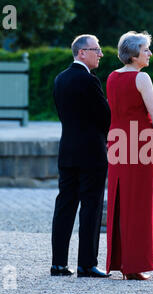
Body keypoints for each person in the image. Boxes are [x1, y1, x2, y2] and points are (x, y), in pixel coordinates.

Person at [51, 34, 111, 278]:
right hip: (91, 153)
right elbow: (105, 115)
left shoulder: (60, 79)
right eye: (96, 49)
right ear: (81, 52)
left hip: (67, 151)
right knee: (91, 207)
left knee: (64, 206)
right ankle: (86, 264)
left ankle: (58, 264)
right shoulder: (89, 80)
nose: (100, 54)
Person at [106, 31, 153, 280]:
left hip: (117, 144)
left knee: (120, 202)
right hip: (141, 145)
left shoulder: (111, 77)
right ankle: (135, 266)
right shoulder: (143, 78)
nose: (149, 53)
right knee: (140, 205)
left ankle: (120, 262)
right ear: (133, 54)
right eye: (146, 49)